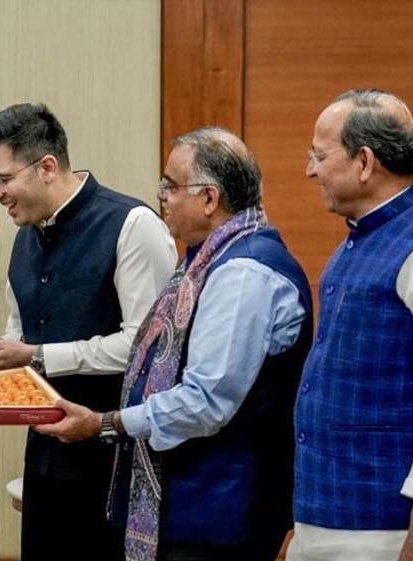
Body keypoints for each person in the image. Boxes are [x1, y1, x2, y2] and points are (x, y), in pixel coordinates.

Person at [34, 126, 312, 561]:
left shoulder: (242, 273)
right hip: (199, 503)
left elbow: (205, 401)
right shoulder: (208, 259)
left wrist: (104, 423)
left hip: (222, 511)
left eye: (170, 186)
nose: (161, 196)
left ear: (209, 198)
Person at [0, 103, 177, 560]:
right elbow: (21, 331)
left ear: (46, 167)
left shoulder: (132, 225)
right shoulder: (23, 235)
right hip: (44, 457)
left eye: (2, 179)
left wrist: (35, 355)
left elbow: (147, 348)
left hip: (116, 456)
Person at [288, 89, 413, 561]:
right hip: (326, 515)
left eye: (320, 156)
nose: (310, 171)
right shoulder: (360, 239)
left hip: (380, 529)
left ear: (364, 162)